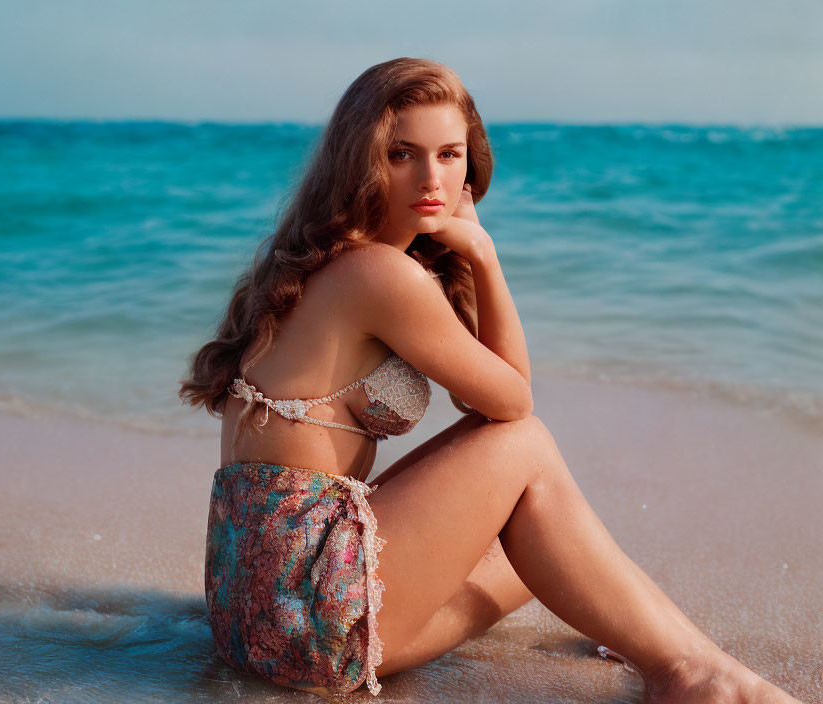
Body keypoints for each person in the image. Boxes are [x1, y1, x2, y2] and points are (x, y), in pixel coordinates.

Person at [179, 57, 803, 702]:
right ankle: (692, 673)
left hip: (252, 618)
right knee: (525, 446)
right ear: (360, 161)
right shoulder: (379, 274)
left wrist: (467, 258)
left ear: (469, 164)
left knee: (539, 554)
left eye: (450, 154)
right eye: (402, 154)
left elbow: (486, 397)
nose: (431, 177)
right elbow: (511, 403)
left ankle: (646, 633)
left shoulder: (320, 262)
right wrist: (483, 252)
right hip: (309, 610)